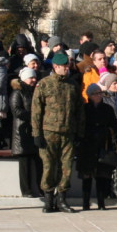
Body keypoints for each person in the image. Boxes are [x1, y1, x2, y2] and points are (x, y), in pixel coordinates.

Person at [32, 52, 85, 213]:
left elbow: (79, 111)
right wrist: (36, 134)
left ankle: (62, 199)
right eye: (63, 66)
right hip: (48, 132)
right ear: (55, 67)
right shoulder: (44, 84)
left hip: (68, 132)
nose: (66, 68)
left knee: (66, 167)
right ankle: (49, 199)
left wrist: (79, 133)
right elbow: (36, 111)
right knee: (49, 167)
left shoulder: (73, 86)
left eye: (67, 65)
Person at [76, 83, 117, 210]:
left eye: (100, 93)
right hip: (87, 145)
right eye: (95, 93)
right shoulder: (84, 109)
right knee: (87, 176)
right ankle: (85, 203)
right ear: (89, 95)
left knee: (102, 176)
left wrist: (108, 135)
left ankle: (101, 202)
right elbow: (80, 126)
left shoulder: (108, 109)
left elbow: (114, 125)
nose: (98, 95)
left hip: (103, 144)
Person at [9, 67, 43, 198]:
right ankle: (26, 190)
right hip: (22, 132)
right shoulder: (18, 93)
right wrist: (33, 116)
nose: (33, 80)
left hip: (35, 131)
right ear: (24, 79)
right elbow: (16, 111)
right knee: (25, 164)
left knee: (38, 162)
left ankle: (41, 188)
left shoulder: (36, 92)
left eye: (35, 77)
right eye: (31, 78)